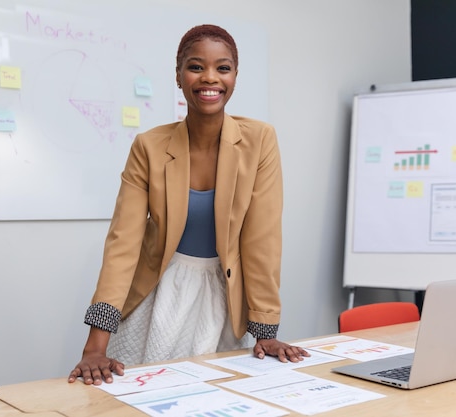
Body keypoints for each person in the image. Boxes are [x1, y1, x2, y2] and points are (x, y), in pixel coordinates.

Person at [68, 24, 309, 385]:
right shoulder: (148, 146)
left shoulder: (260, 140)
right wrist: (94, 349)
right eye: (196, 67)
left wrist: (265, 331)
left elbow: (262, 239)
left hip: (224, 296)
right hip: (160, 292)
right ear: (179, 76)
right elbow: (124, 244)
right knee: (144, 397)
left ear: (235, 76)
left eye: (222, 68)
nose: (209, 78)